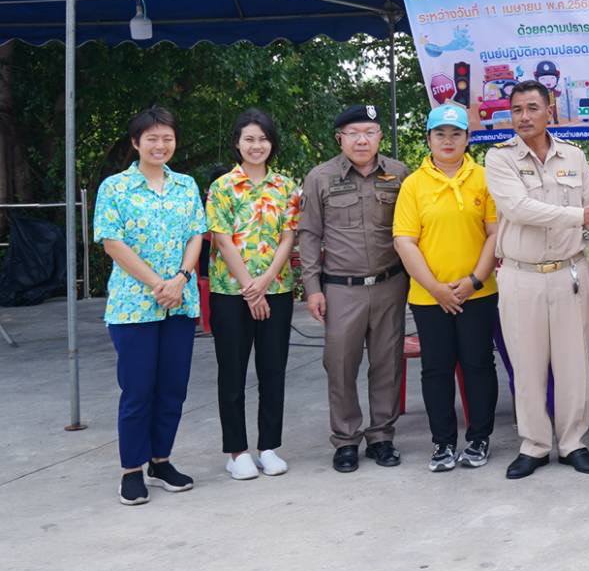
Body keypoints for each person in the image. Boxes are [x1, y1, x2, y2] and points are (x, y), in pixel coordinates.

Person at [485, 81, 589, 479]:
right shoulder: (499, 159)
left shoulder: (574, 156)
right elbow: (520, 208)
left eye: (532, 107)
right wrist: (586, 218)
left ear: (550, 110)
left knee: (573, 364)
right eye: (516, 110)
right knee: (527, 366)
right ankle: (533, 446)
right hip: (521, 275)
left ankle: (572, 443)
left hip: (570, 273)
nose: (524, 116)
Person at [95, 105, 207, 505]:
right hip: (133, 307)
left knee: (172, 387)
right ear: (135, 143)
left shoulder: (186, 186)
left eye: (167, 138)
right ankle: (131, 469)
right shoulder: (115, 188)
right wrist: (158, 283)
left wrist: (179, 279)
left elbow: (197, 233)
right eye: (152, 138)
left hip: (179, 302)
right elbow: (112, 242)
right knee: (138, 389)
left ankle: (161, 461)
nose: (160, 145)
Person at [296, 104, 410, 473]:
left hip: (390, 283)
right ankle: (345, 439)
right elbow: (309, 234)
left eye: (370, 132)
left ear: (379, 136)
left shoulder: (399, 174)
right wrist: (312, 287)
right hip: (341, 288)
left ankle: (381, 435)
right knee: (340, 363)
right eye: (354, 133)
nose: (362, 140)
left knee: (387, 363)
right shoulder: (320, 177)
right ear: (339, 138)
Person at [392, 103, 500, 473]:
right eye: (440, 134)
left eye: (456, 134)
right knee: (436, 369)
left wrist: (473, 281)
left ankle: (479, 437)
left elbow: (494, 234)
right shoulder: (413, 185)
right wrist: (436, 288)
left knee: (478, 365)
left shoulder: (484, 178)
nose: (448, 141)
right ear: (428, 139)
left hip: (478, 293)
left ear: (468, 139)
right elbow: (405, 241)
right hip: (428, 297)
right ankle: (442, 443)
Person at [205, 108, 302, 482]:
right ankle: (237, 451)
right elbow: (222, 239)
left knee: (273, 369)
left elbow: (289, 236)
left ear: (271, 143)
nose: (256, 145)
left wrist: (266, 282)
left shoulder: (286, 187)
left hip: (275, 289)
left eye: (262, 139)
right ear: (237, 143)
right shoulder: (223, 187)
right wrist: (250, 287)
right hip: (230, 292)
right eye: (249, 139)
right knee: (232, 371)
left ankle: (268, 447)